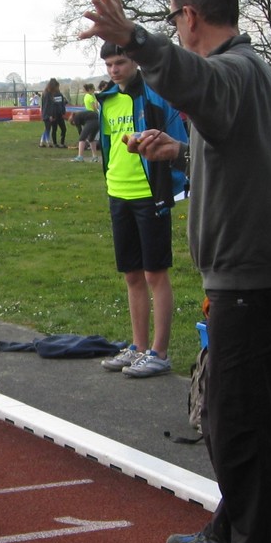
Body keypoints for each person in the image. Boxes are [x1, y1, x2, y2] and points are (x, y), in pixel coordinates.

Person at [82, 0, 271, 543]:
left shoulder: (234, 70)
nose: (175, 29)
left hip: (248, 275)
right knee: (232, 412)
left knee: (237, 419)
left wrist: (136, 38)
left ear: (190, 17)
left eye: (174, 19)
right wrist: (176, 153)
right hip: (245, 272)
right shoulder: (246, 75)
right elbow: (230, 149)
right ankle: (237, 526)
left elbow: (194, 81)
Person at [93, 41, 189, 380]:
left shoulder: (155, 95)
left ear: (134, 60)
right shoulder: (107, 99)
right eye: (109, 65)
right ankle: (137, 346)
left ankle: (159, 353)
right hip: (118, 192)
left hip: (150, 194)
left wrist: (174, 185)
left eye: (120, 62)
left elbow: (178, 141)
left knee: (155, 274)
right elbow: (108, 145)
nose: (114, 70)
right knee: (132, 274)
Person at [70, 83, 100, 162]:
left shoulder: (76, 118)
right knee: (91, 139)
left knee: (82, 138)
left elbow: (79, 130)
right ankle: (95, 157)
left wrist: (82, 137)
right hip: (97, 119)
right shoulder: (90, 97)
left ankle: (80, 156)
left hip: (92, 120)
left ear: (73, 121)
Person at [39, 78, 67, 149]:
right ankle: (47, 142)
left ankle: (42, 142)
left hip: (49, 114)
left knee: (47, 128)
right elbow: (47, 106)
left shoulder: (48, 93)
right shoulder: (47, 94)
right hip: (48, 114)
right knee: (48, 128)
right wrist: (50, 115)